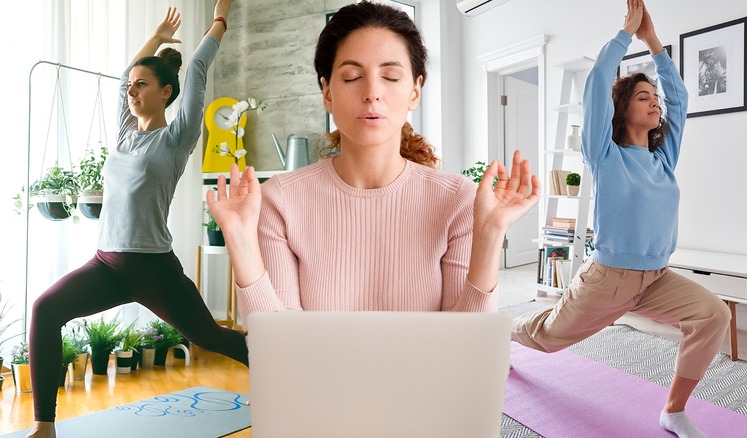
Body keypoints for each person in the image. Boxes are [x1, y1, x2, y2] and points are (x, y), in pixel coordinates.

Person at [207, 1, 540, 318]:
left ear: (415, 91)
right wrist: (239, 238)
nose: (372, 92)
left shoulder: (456, 199)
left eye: (391, 77)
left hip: (428, 378)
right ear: (327, 93)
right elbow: (277, 336)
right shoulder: (281, 199)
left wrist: (491, 234)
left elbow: (468, 340)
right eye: (352, 77)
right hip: (317, 377)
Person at [26, 3, 248, 437]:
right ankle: (44, 426)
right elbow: (127, 73)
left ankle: (286, 369)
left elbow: (199, 65)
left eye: (142, 85)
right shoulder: (126, 133)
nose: (131, 91)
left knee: (213, 339)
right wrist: (158, 37)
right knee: (45, 309)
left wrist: (220, 17)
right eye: (131, 86)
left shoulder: (176, 137)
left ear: (166, 92)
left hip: (154, 269)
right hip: (106, 265)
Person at [510, 1, 730, 437]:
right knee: (546, 338)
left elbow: (680, 99)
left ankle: (673, 410)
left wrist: (653, 41)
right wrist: (626, 34)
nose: (654, 104)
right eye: (642, 97)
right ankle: (504, 333)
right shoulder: (605, 155)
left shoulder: (662, 158)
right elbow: (595, 86)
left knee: (714, 314)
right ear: (622, 110)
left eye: (654, 98)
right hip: (607, 280)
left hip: (657, 279)